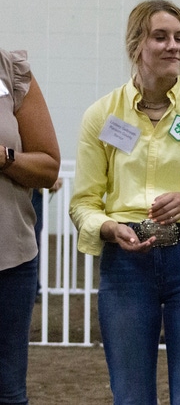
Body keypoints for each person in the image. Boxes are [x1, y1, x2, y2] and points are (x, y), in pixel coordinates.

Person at [69, 0, 180, 404]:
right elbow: (82, 203)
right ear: (136, 46)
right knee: (131, 397)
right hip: (126, 263)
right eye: (161, 37)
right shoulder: (102, 116)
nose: (174, 47)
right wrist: (108, 227)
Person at [0, 48, 61, 405]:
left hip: (10, 261)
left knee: (9, 392)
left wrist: (5, 157)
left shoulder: (11, 69)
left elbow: (48, 166)